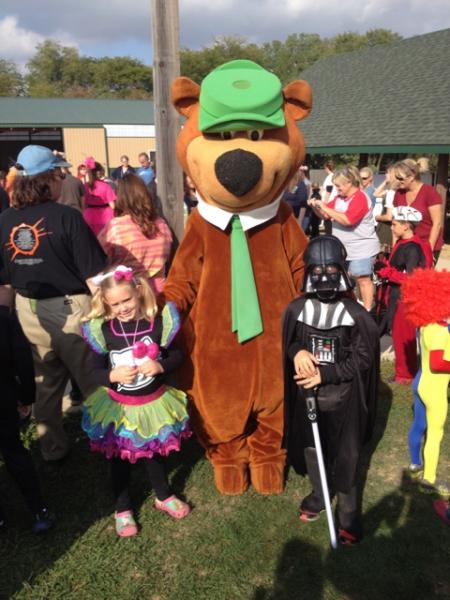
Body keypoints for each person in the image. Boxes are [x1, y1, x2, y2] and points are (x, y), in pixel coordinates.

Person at [0, 145, 107, 462]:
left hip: (26, 309)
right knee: (92, 376)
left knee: (46, 383)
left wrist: (6, 318)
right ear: (46, 179)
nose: (63, 179)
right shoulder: (67, 217)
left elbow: (4, 280)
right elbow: (93, 277)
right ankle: (110, 438)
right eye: (59, 174)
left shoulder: (4, 220)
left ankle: (52, 448)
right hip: (70, 307)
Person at [80, 265, 191, 537]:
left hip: (153, 404)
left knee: (154, 454)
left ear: (139, 292)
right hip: (119, 408)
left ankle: (163, 495)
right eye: (115, 303)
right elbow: (91, 372)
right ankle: (122, 508)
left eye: (127, 300)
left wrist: (160, 366)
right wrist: (112, 374)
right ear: (106, 303)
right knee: (118, 459)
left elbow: (177, 356)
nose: (123, 307)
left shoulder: (157, 323)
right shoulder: (105, 331)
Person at [282, 235, 379, 545]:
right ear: (309, 273)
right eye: (318, 271)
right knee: (312, 449)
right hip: (306, 397)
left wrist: (327, 374)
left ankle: (348, 514)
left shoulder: (355, 315)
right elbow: (291, 341)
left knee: (347, 454)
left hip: (344, 398)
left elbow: (363, 359)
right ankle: (321, 492)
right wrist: (296, 352)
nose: (324, 278)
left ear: (342, 271)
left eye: (331, 271)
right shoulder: (297, 309)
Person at [0, 304, 54, 533]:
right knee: (14, 451)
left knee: (14, 452)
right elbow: (22, 358)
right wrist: (26, 396)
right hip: (3, 397)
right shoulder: (3, 315)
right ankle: (38, 508)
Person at [402, 268, 450, 497]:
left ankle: (414, 462)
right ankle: (429, 477)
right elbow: (440, 363)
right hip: (435, 390)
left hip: (420, 382)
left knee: (419, 424)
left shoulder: (426, 325)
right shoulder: (441, 333)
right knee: (435, 433)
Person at [375, 207, 432, 383]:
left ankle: (406, 374)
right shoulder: (402, 243)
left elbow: (412, 278)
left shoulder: (413, 248)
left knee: (403, 336)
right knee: (398, 334)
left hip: (405, 299)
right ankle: (405, 371)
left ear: (406, 225)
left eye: (394, 224)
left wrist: (387, 272)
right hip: (395, 296)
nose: (391, 228)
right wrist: (383, 264)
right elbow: (398, 267)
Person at [312, 165, 380, 310]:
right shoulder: (339, 198)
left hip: (361, 248)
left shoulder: (361, 198)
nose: (336, 188)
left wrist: (324, 207)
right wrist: (316, 207)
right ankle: (350, 307)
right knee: (346, 279)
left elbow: (348, 220)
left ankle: (368, 310)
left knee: (362, 278)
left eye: (338, 185)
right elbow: (326, 215)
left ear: (349, 183)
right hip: (344, 248)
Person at [98, 174, 172, 296]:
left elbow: (100, 257)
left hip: (129, 293)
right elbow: (167, 256)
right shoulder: (161, 224)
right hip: (159, 292)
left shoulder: (116, 226)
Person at [392, 158, 443, 262]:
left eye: (400, 178)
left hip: (425, 244)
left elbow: (437, 223)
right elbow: (396, 222)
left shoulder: (430, 192)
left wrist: (428, 250)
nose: (398, 181)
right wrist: (394, 248)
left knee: (419, 278)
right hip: (404, 244)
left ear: (412, 177)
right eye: (396, 177)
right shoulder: (399, 193)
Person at [83, 157, 116, 237]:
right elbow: (113, 206)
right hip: (106, 216)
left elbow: (83, 205)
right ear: (98, 172)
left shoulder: (85, 186)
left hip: (89, 215)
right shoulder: (106, 186)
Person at [373, 166, 398, 254]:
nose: (385, 175)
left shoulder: (392, 192)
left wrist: (377, 217)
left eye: (387, 173)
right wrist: (385, 182)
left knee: (383, 258)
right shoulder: (390, 191)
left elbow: (388, 217)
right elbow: (375, 194)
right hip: (392, 227)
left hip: (386, 228)